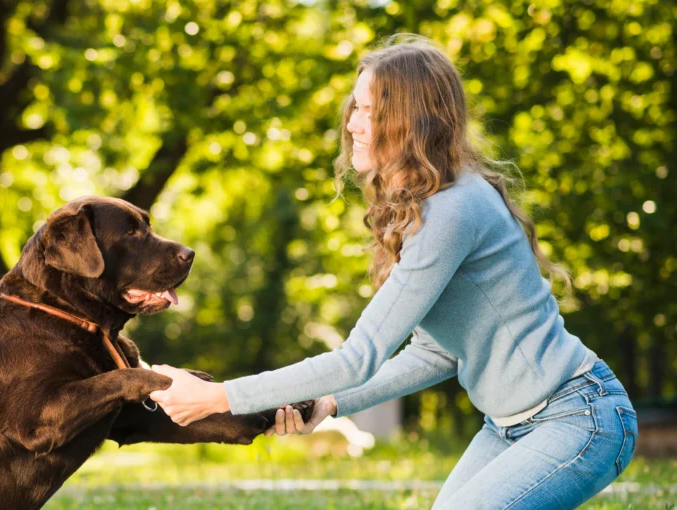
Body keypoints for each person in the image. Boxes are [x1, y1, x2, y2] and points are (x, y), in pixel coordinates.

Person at [148, 35, 638, 509]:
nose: (353, 125)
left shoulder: (453, 210)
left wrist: (218, 397)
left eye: (371, 111)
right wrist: (329, 402)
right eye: (355, 107)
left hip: (580, 416)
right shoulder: (428, 208)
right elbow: (437, 352)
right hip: (508, 425)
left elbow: (357, 358)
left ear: (413, 123)